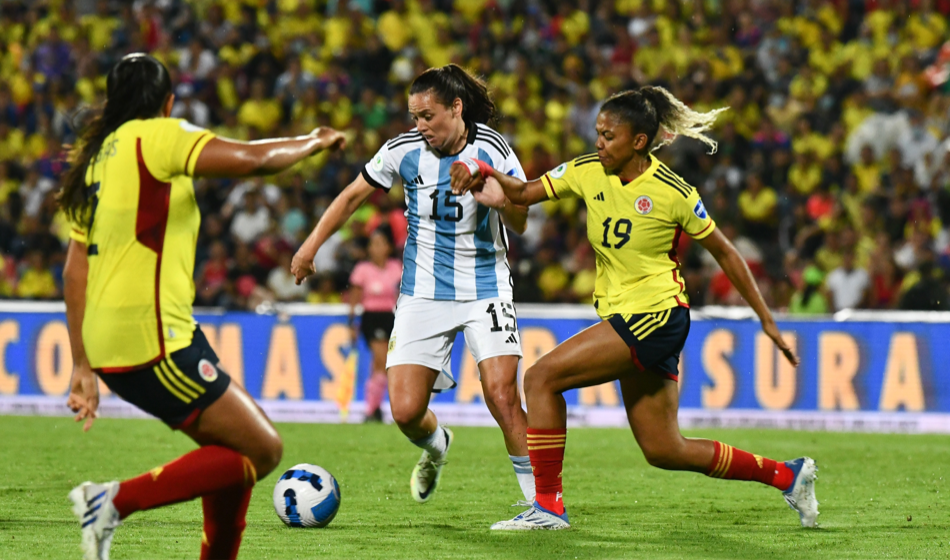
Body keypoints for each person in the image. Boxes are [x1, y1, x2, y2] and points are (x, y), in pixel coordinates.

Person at [452, 86, 818, 531]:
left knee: (541, 378)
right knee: (665, 448)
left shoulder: (673, 192)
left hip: (657, 316)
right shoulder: (588, 171)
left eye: (609, 136)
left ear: (639, 141)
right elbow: (526, 192)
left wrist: (767, 320)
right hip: (628, 318)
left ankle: (548, 507)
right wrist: (488, 175)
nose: (598, 143)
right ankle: (788, 475)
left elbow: (726, 253)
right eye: (598, 133)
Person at [61, 54, 345, 560]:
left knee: (232, 453)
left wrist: (82, 363)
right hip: (152, 340)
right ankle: (111, 501)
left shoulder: (96, 158)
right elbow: (254, 159)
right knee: (263, 450)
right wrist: (314, 141)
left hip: (125, 336)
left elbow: (74, 270)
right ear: (168, 102)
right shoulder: (158, 136)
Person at [291, 64, 536, 505]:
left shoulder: (494, 148)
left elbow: (520, 217)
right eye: (415, 117)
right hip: (422, 293)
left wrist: (499, 196)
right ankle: (437, 445)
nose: (420, 127)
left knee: (501, 395)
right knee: (404, 412)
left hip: (486, 287)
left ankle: (542, 504)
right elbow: (351, 196)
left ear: (456, 108)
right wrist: (310, 246)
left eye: (428, 116)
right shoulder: (402, 151)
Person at [347, 226, 402, 422]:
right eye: (373, 244)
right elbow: (354, 297)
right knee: (381, 359)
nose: (375, 248)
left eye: (380, 244)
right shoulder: (362, 269)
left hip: (390, 317)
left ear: (388, 247)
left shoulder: (396, 267)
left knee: (381, 363)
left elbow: (401, 294)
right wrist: (352, 322)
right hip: (371, 317)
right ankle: (371, 409)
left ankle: (375, 406)